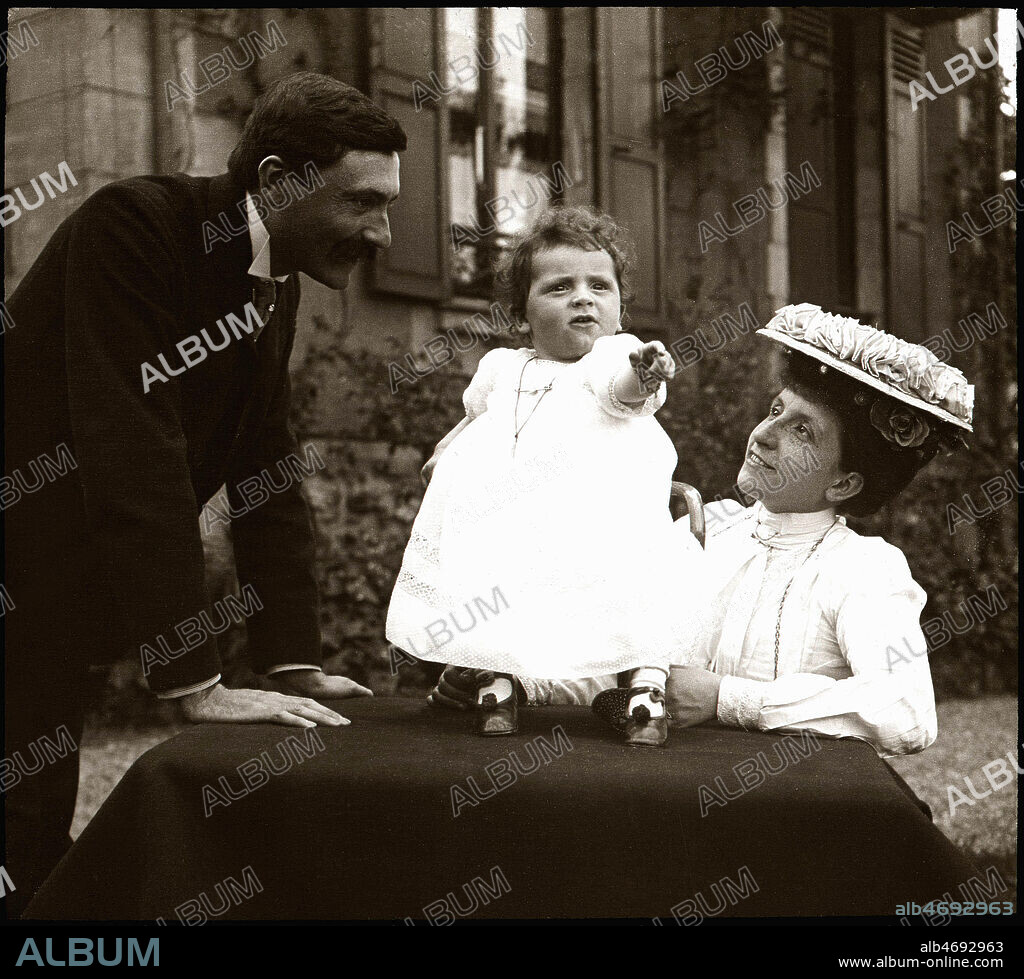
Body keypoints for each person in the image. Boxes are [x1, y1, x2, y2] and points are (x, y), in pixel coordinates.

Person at [4, 72, 404, 916]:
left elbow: (266, 463)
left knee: (33, 832)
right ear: (275, 182)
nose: (383, 232)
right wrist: (193, 677)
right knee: (20, 833)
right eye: (363, 203)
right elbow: (133, 446)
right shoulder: (133, 228)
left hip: (53, 591)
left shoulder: (275, 277)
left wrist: (292, 659)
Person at [430, 304, 974, 760]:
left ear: (845, 482)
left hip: (804, 816)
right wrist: (519, 678)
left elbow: (905, 713)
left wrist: (727, 699)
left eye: (802, 430)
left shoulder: (863, 569)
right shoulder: (706, 530)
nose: (764, 434)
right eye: (776, 409)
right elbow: (624, 662)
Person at [386, 206, 703, 745]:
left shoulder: (611, 356)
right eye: (559, 287)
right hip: (520, 524)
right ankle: (497, 680)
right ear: (520, 315)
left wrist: (645, 368)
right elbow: (473, 419)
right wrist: (446, 454)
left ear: (620, 309)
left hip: (605, 526)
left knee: (640, 597)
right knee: (489, 578)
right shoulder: (502, 367)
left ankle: (646, 691)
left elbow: (624, 387)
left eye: (599, 286)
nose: (583, 297)